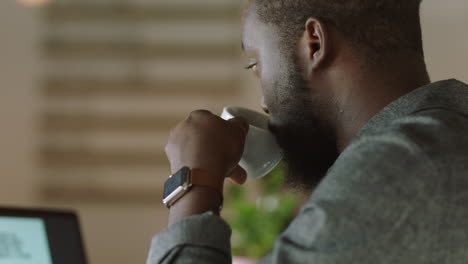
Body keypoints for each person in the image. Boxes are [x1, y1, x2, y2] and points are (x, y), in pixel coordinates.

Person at [147, 0, 468, 263]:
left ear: (314, 42)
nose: (263, 102)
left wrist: (194, 181)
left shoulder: (400, 168)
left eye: (256, 64)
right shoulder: (444, 136)